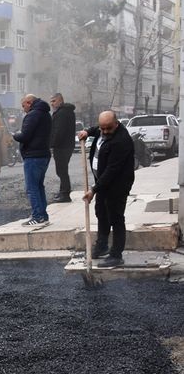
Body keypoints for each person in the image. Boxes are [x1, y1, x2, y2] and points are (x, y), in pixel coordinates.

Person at [78, 111, 135, 268]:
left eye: (107, 129)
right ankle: (102, 246)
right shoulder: (104, 128)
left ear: (116, 124)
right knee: (101, 213)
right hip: (102, 183)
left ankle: (116, 255)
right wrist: (87, 132)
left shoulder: (121, 141)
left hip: (117, 185)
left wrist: (94, 189)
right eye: (102, 128)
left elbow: (112, 170)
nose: (104, 132)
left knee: (116, 217)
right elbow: (97, 128)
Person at [12, 94, 52, 226]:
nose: (23, 109)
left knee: (32, 188)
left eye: (23, 106)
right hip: (43, 154)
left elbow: (25, 136)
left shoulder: (33, 115)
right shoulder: (45, 114)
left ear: (29, 103)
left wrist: (15, 135)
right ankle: (43, 215)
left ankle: (37, 216)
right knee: (39, 186)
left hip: (33, 156)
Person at [49, 93, 77, 203]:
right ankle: (63, 192)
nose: (52, 103)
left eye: (54, 101)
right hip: (67, 145)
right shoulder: (67, 111)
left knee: (61, 171)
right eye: (51, 101)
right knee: (62, 170)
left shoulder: (62, 113)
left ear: (60, 101)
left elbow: (58, 131)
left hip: (62, 146)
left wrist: (52, 144)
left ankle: (65, 194)